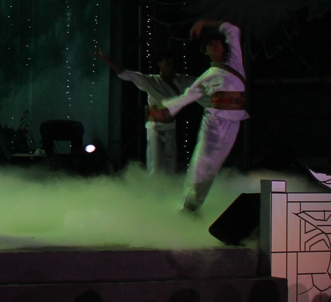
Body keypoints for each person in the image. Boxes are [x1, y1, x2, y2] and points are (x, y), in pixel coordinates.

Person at [153, 19, 248, 212]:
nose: (214, 45)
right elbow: (188, 95)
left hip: (234, 121)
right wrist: (165, 108)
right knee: (201, 163)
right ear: (205, 52)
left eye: (217, 43)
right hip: (213, 122)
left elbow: (231, 29)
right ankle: (186, 204)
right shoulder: (207, 76)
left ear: (224, 47)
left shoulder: (235, 61)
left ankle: (194, 204)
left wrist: (205, 23)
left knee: (213, 166)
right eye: (210, 45)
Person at [94, 47, 195, 176]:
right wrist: (106, 59)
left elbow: (201, 82)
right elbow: (126, 74)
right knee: (155, 165)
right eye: (166, 60)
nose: (170, 63)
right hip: (155, 128)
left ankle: (168, 187)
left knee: (170, 164)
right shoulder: (150, 81)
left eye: (171, 60)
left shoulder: (181, 80)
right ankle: (153, 187)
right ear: (159, 63)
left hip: (171, 126)